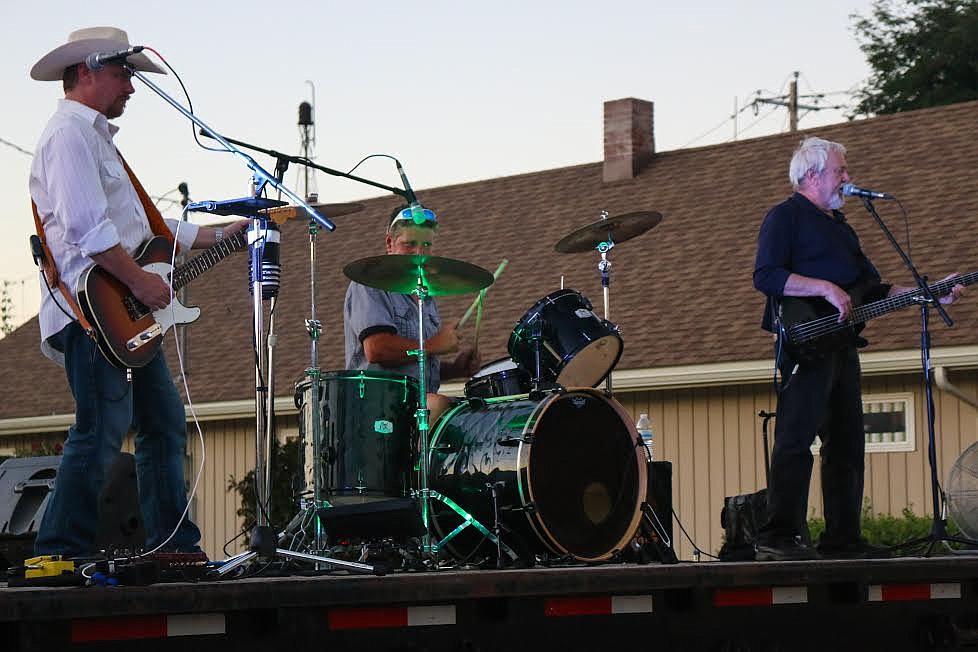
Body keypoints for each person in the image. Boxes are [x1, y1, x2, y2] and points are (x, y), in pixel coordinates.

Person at [29, 27, 249, 558]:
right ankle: (61, 549)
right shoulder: (68, 136)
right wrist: (139, 282)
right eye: (123, 73)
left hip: (119, 310)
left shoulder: (94, 139)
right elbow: (89, 231)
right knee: (103, 428)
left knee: (162, 423)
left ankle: (173, 542)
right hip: (95, 311)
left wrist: (222, 235)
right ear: (86, 72)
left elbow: (141, 228)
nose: (131, 87)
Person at [752, 136, 965, 561]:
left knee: (847, 443)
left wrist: (930, 293)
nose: (847, 178)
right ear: (811, 175)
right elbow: (767, 275)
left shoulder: (842, 228)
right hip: (804, 341)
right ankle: (778, 535)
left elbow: (875, 288)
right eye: (840, 170)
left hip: (842, 344)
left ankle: (842, 538)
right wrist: (824, 288)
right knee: (795, 439)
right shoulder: (786, 216)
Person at [344, 205, 480, 422]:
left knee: (474, 408)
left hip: (414, 404)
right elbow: (376, 349)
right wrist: (433, 344)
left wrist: (454, 369)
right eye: (409, 244)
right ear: (390, 243)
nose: (419, 253)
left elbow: (413, 366)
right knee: (439, 405)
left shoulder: (425, 295)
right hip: (377, 407)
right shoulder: (370, 283)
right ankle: (419, 457)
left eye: (426, 245)